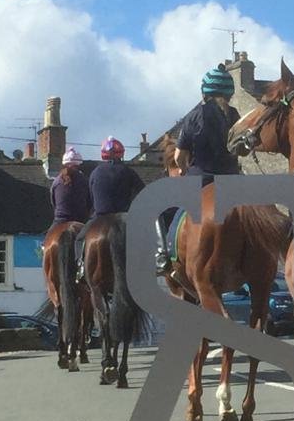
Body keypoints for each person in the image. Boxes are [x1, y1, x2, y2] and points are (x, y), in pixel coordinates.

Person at [155, 64, 241, 276]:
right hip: (234, 181)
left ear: (205, 92)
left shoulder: (195, 115)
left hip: (202, 180)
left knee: (170, 211)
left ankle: (165, 255)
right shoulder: (236, 115)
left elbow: (179, 155)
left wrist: (184, 170)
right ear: (229, 93)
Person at [75, 137, 145, 277]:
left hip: (100, 216)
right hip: (124, 217)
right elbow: (143, 193)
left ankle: (81, 267)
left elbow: (91, 199)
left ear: (103, 154)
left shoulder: (95, 173)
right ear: (121, 154)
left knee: (79, 239)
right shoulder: (129, 172)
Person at [49, 148, 90, 226]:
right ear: (79, 164)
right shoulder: (85, 180)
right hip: (80, 220)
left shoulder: (56, 181)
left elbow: (53, 202)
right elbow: (89, 203)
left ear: (63, 164)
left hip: (60, 220)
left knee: (48, 237)